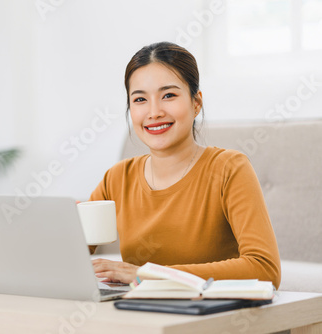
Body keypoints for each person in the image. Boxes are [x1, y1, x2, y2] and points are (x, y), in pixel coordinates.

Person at [90, 41, 281, 289]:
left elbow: (264, 268)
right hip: (139, 317)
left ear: (196, 103)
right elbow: (65, 257)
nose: (154, 112)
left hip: (212, 319)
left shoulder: (229, 168)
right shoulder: (117, 178)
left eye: (168, 95)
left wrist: (148, 274)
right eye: (139, 100)